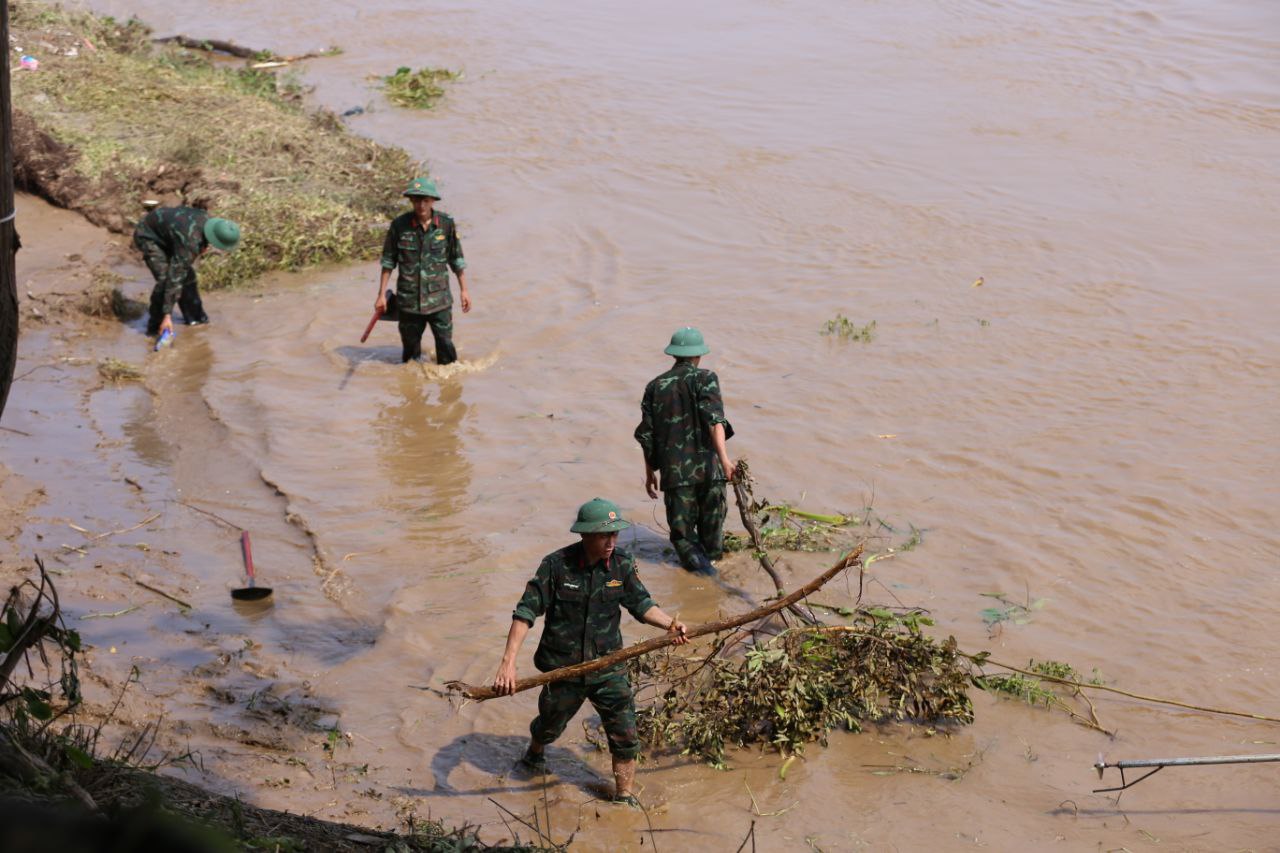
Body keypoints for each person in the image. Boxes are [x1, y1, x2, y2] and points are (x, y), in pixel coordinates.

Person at [493, 498, 688, 806]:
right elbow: (526, 612)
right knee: (549, 725)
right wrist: (508, 664)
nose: (611, 541)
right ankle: (535, 753)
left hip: (608, 667)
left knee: (625, 734)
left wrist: (670, 625)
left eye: (615, 535)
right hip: (563, 669)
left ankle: (624, 797)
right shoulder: (556, 566)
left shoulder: (622, 565)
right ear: (584, 535)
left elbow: (642, 604)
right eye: (603, 535)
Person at [634, 327, 735, 576]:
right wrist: (725, 460)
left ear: (674, 355)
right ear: (698, 355)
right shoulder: (706, 378)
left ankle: (703, 581)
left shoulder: (654, 387)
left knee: (684, 539)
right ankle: (714, 583)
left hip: (676, 477)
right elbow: (715, 421)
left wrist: (650, 475)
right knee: (713, 541)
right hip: (711, 473)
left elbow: (647, 436)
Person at [376, 177, 470, 364]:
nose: (421, 205)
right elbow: (388, 262)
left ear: (433, 200)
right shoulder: (399, 226)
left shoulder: (446, 224)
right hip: (409, 302)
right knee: (410, 358)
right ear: (411, 200)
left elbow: (456, 259)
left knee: (446, 352)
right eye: (417, 200)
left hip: (439, 300)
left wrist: (464, 291)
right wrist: (380, 295)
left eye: (425, 200)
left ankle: (449, 391)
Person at [133, 206, 241, 337]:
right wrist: (167, 316)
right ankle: (155, 328)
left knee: (188, 278)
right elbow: (174, 279)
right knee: (165, 280)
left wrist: (202, 246)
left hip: (170, 233)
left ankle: (196, 319)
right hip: (148, 235)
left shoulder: (208, 221)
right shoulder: (190, 242)